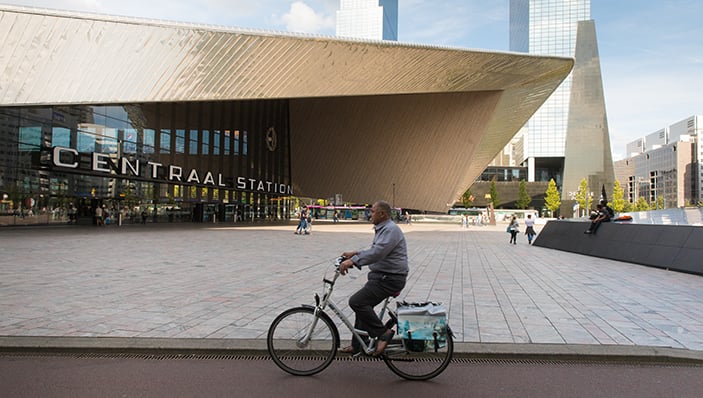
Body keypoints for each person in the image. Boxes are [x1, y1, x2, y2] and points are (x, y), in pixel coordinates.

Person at [338, 201, 408, 356]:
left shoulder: (390, 230)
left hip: (390, 279)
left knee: (357, 302)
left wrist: (353, 261)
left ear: (382, 214)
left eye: (372, 211)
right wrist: (355, 254)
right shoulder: (384, 229)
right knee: (363, 305)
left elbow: (378, 252)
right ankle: (358, 346)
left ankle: (383, 333)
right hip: (382, 277)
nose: (370, 215)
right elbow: (375, 250)